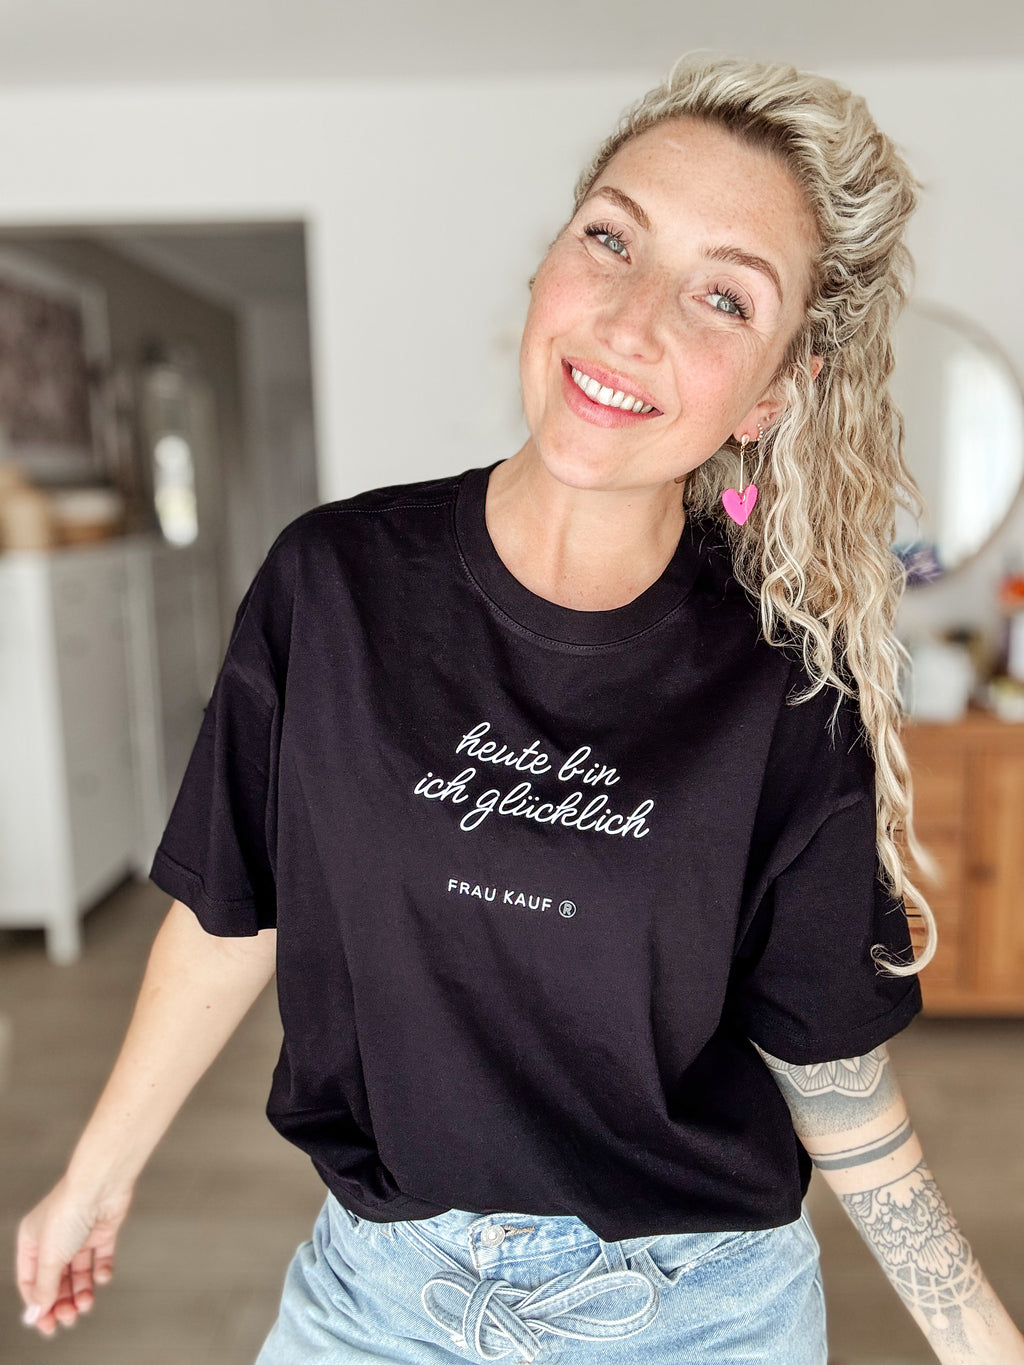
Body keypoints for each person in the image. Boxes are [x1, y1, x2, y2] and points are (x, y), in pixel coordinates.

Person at [16, 53, 1024, 1365]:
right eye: (611, 237)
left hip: (699, 1314)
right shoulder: (332, 586)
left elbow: (826, 1064)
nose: (631, 320)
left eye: (724, 296)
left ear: (774, 391)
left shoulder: (784, 682)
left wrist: (981, 1336)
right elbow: (230, 911)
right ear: (552, 258)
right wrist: (96, 1173)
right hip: (381, 1299)